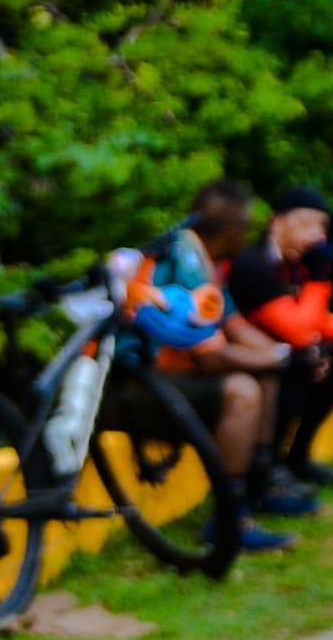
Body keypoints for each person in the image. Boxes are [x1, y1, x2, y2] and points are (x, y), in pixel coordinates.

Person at [122, 180, 312, 551]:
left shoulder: (203, 257)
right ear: (230, 230)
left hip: (165, 375)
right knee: (243, 390)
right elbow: (211, 357)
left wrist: (290, 353)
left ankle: (260, 482)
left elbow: (235, 326)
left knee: (267, 371)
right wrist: (284, 357)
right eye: (248, 227)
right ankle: (228, 519)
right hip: (139, 382)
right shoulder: (187, 263)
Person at [226, 186, 333, 488]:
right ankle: (268, 467)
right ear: (276, 221)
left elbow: (311, 320)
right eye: (306, 224)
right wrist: (321, 277)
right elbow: (299, 330)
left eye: (322, 227)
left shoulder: (295, 265)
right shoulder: (253, 264)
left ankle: (299, 456)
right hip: (243, 356)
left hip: (279, 347)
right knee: (301, 365)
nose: (318, 236)